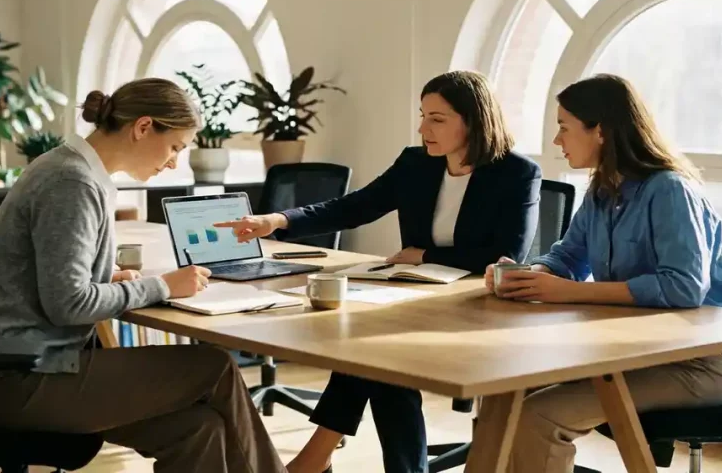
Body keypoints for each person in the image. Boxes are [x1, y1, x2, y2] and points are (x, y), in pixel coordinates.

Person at [0, 78, 286, 473]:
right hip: (11, 378)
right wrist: (160, 285)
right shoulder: (72, 181)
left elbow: (51, 275)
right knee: (215, 367)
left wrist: (107, 278)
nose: (174, 161)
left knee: (198, 429)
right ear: (143, 127)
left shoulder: (75, 170)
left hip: (26, 366)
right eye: (175, 146)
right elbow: (68, 304)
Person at [215, 70, 542, 473]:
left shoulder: (517, 173)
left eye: (437, 119)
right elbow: (354, 207)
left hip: (478, 308)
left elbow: (506, 254)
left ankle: (317, 457)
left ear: (474, 120)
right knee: (379, 359)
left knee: (378, 355)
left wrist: (422, 255)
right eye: (422, 115)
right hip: (417, 295)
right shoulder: (416, 163)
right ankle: (339, 461)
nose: (423, 128)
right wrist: (279, 220)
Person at [485, 73, 722, 473]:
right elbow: (567, 256)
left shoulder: (669, 190)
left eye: (564, 128)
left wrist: (568, 293)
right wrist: (527, 274)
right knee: (511, 387)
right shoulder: (602, 190)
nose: (557, 141)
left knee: (540, 415)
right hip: (632, 352)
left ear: (599, 131)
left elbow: (683, 287)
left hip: (691, 365)